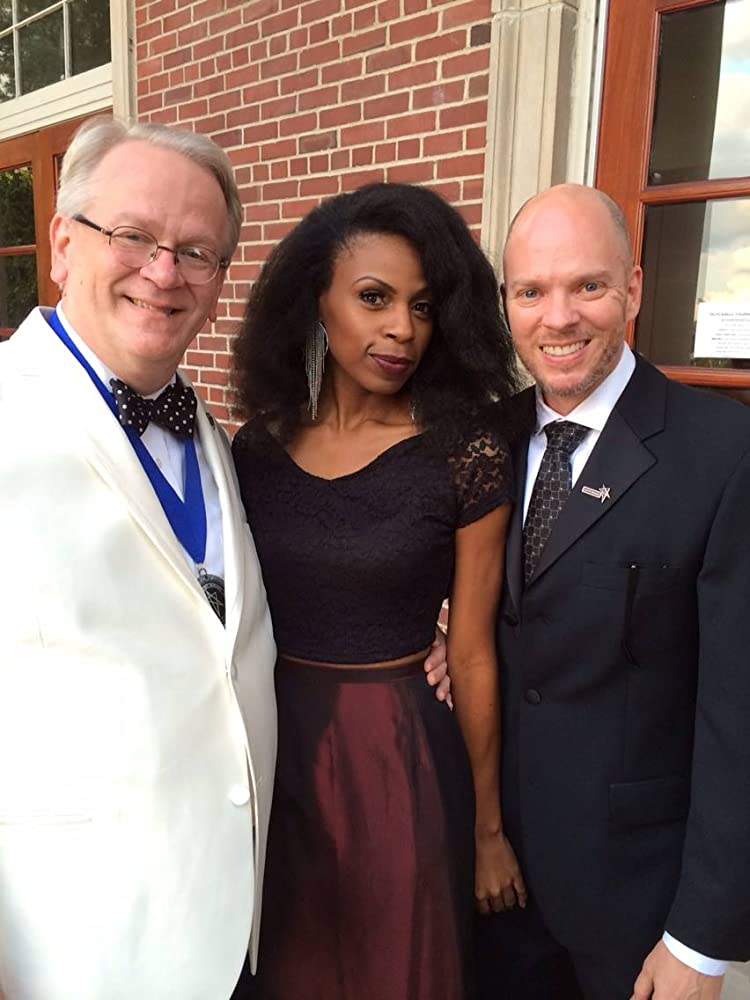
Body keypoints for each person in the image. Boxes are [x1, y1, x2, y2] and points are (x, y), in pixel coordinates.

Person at [0, 118, 280, 1000]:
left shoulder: (209, 433)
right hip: (67, 956)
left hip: (230, 931)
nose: (164, 273)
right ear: (63, 245)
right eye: (133, 236)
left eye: (196, 252)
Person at [231, 181, 527, 999]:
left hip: (399, 761)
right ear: (316, 301)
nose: (402, 328)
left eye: (423, 307)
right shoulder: (255, 450)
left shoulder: (465, 454)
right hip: (271, 753)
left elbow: (471, 654)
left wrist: (488, 830)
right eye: (374, 298)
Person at [476, 183, 750, 1000]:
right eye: (532, 292)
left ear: (632, 288)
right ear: (507, 304)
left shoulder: (724, 453)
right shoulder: (485, 442)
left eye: (587, 286)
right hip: (498, 892)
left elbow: (739, 716)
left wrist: (701, 942)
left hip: (641, 909)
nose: (558, 318)